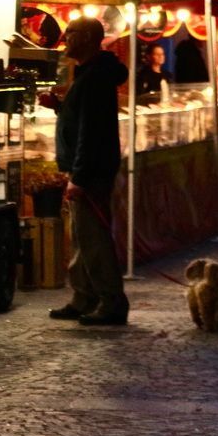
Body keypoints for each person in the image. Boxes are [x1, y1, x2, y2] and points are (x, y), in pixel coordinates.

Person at [47, 17, 130, 326]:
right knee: (82, 237)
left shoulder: (95, 77)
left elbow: (91, 132)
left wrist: (78, 177)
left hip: (91, 172)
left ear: (89, 38)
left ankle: (111, 301)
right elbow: (82, 119)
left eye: (72, 33)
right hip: (87, 169)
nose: (66, 37)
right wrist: (60, 107)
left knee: (94, 239)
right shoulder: (89, 74)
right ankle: (84, 296)